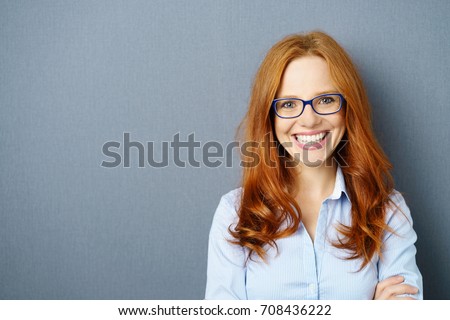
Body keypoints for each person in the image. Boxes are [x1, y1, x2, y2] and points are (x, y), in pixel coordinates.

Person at [205, 31, 423, 300]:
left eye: (326, 100)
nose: (309, 120)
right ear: (270, 118)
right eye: (288, 104)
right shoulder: (234, 214)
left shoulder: (388, 211)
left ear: (348, 108)